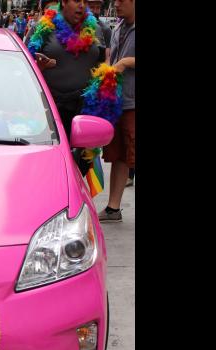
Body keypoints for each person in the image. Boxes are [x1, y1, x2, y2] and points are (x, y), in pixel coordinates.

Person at [28, 0, 106, 139]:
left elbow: (103, 61)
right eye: (76, 1)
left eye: (85, 1)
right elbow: (24, 67)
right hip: (49, 109)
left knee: (84, 152)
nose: (81, 5)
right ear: (63, 2)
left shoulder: (96, 28)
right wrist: (38, 66)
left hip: (85, 108)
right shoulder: (43, 26)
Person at [98, 0, 135, 222]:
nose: (117, 5)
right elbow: (110, 59)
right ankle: (113, 208)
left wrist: (127, 62)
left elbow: (122, 61)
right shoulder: (119, 27)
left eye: (121, 0)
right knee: (119, 155)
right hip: (119, 101)